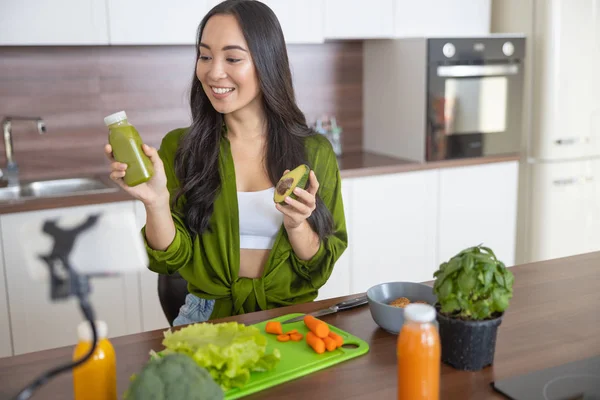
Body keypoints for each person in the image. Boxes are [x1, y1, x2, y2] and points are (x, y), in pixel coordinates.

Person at [104, 0, 347, 325]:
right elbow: (171, 259)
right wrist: (156, 203)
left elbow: (318, 265)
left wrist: (297, 224)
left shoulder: (314, 152)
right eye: (205, 56)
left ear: (266, 63)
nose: (213, 71)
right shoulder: (181, 148)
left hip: (289, 318)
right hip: (206, 318)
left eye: (232, 58)